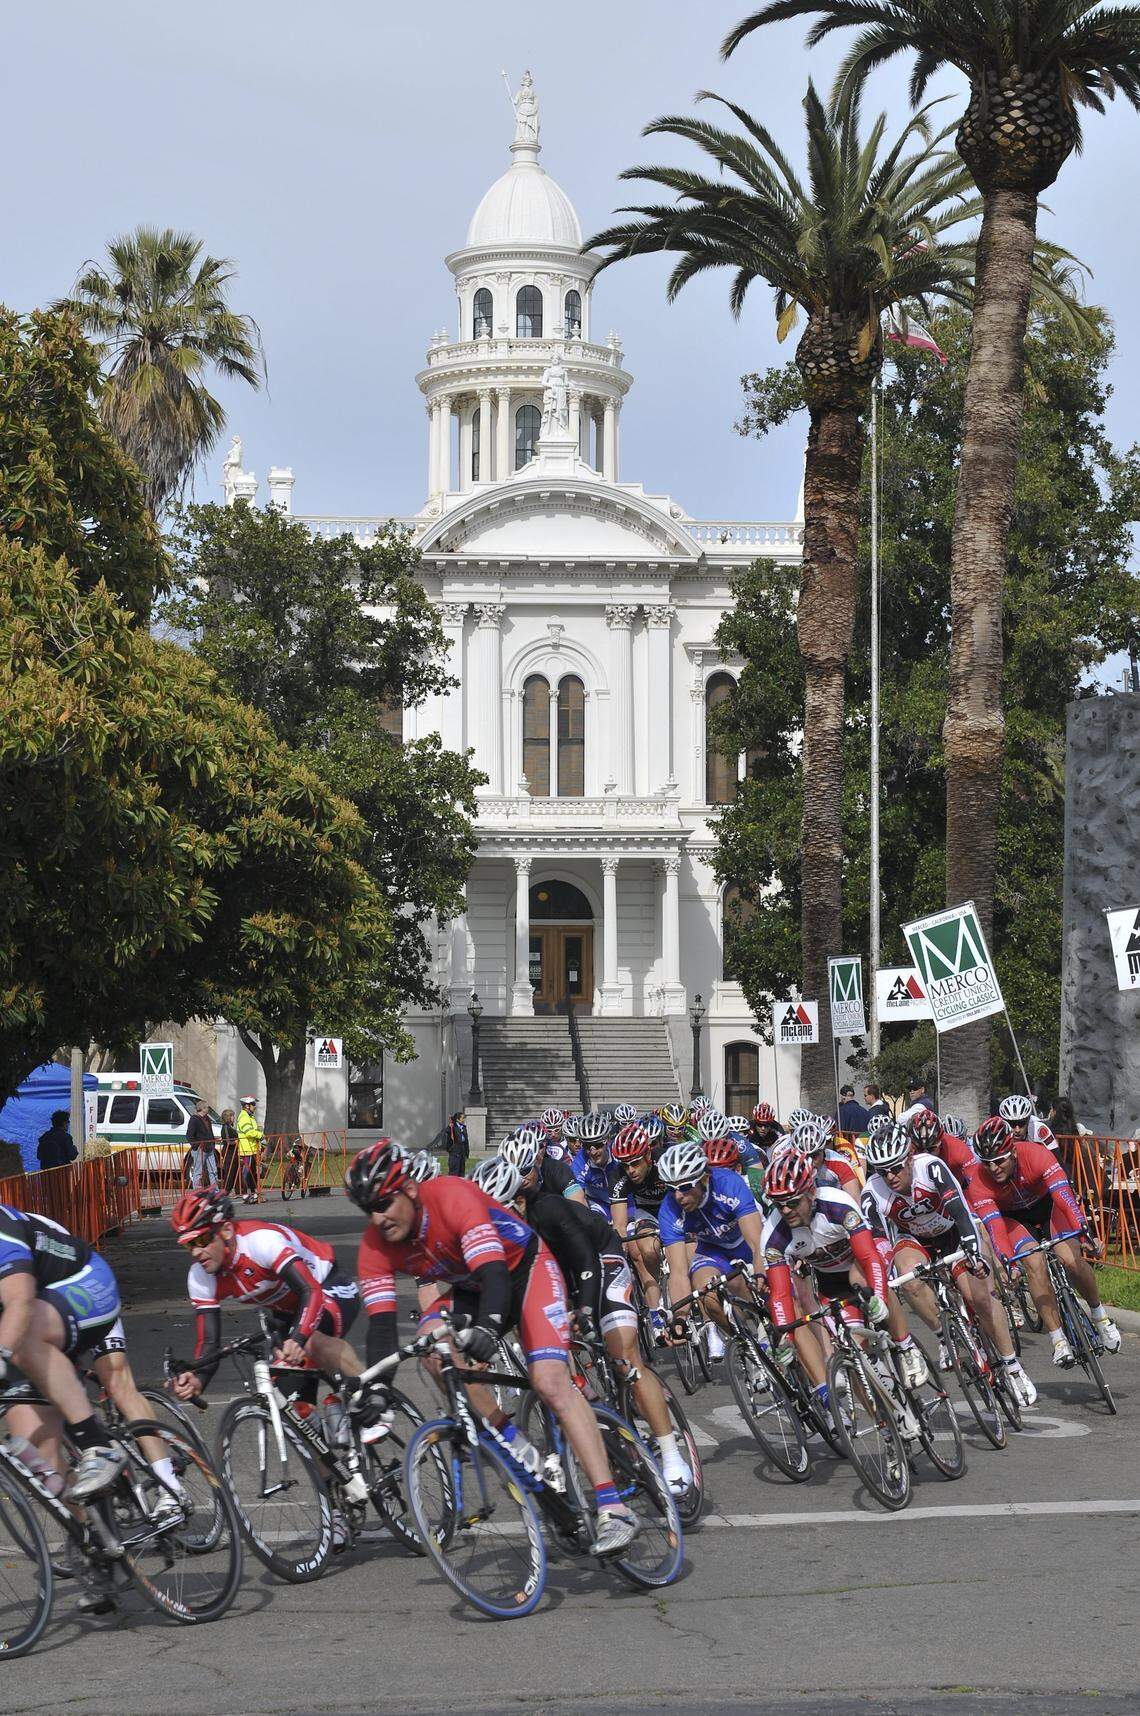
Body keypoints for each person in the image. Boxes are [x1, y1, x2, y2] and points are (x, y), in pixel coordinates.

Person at [347, 1139, 641, 1558]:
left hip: (524, 1270)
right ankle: (510, 1439)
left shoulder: (451, 1197)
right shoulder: (375, 1244)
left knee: (549, 1381)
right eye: (368, 1210)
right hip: (472, 1287)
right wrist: (377, 1389)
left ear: (409, 1190)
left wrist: (487, 1328)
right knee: (431, 1345)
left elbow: (496, 1275)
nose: (378, 1218)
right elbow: (380, 1326)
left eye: (383, 1203)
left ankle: (614, 1507)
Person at [479, 1155, 693, 1497]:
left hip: (600, 1259)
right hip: (559, 1275)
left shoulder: (549, 1210)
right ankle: (595, 1405)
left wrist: (585, 1311)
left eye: (499, 1213)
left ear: (518, 1201)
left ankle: (671, 1455)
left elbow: (586, 1262)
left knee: (623, 1354)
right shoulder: (499, 1236)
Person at [860, 1124, 1037, 1406]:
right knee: (908, 1279)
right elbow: (879, 1242)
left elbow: (961, 1212)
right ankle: (945, 1337)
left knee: (979, 1297)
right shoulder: (873, 1192)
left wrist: (975, 1253)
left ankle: (1012, 1365)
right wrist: (886, 1279)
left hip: (953, 1231)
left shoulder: (931, 1168)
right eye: (883, 1171)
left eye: (895, 1168)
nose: (890, 1176)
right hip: (914, 1240)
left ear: (909, 1158)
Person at [169, 1187, 362, 1397]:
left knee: (312, 1342)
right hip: (289, 1311)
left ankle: (373, 1394)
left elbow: (310, 1290)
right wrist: (198, 1378)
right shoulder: (200, 1276)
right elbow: (209, 1342)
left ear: (226, 1230)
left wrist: (298, 1339)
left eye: (201, 1240)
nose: (196, 1252)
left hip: (326, 1286)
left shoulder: (260, 1242)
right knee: (287, 1401)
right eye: (189, 1245)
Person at [963, 1115, 1121, 1367]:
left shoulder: (1036, 1154)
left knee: (1070, 1260)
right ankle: (1058, 1339)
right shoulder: (979, 1182)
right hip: (1014, 1220)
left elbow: (1064, 1198)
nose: (993, 1169)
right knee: (1034, 1264)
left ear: (1013, 1152)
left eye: (1000, 1160)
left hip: (1049, 1207)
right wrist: (1008, 1263)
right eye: (987, 1163)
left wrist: (1084, 1233)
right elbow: (996, 1229)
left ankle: (1100, 1317)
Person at [657, 1139, 766, 1364]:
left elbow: (757, 1244)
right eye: (671, 1188)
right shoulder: (669, 1209)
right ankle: (748, 1346)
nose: (678, 1196)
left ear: (704, 1178)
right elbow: (678, 1272)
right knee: (708, 1295)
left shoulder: (728, 1184)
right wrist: (680, 1317)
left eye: (685, 1186)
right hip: (712, 1250)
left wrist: (760, 1272)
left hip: (745, 1244)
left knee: (763, 1299)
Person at [236, 1095, 264, 1203]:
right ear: (247, 1106)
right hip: (246, 1149)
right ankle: (244, 1194)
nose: (255, 1107)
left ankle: (254, 1193)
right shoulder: (244, 1117)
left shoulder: (249, 1116)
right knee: (246, 1172)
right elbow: (249, 1132)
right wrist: (260, 1135)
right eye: (253, 1104)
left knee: (252, 1172)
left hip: (251, 1148)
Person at [186, 1100, 217, 1190]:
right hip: (200, 1150)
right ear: (202, 1108)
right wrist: (197, 1146)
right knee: (198, 1172)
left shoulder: (207, 1119)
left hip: (209, 1148)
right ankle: (197, 1191)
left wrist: (213, 1144)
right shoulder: (194, 1119)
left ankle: (215, 1190)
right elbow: (189, 1135)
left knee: (213, 1170)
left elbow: (210, 1133)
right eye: (207, 1107)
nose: (208, 1109)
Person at [218, 1108, 240, 1193]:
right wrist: (235, 1142)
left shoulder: (231, 1127)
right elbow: (227, 1140)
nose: (234, 1118)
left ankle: (238, 1190)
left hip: (234, 1152)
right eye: (232, 1116)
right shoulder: (225, 1127)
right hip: (228, 1152)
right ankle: (227, 1190)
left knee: (235, 1170)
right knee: (230, 1171)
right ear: (228, 1117)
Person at [445, 1110, 469, 1177]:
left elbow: (466, 1140)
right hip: (455, 1151)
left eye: (464, 1118)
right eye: (462, 1118)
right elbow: (447, 1132)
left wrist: (467, 1152)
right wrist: (449, 1127)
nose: (464, 1120)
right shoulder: (453, 1127)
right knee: (454, 1170)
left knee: (462, 1170)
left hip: (462, 1150)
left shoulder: (463, 1127)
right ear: (458, 1119)